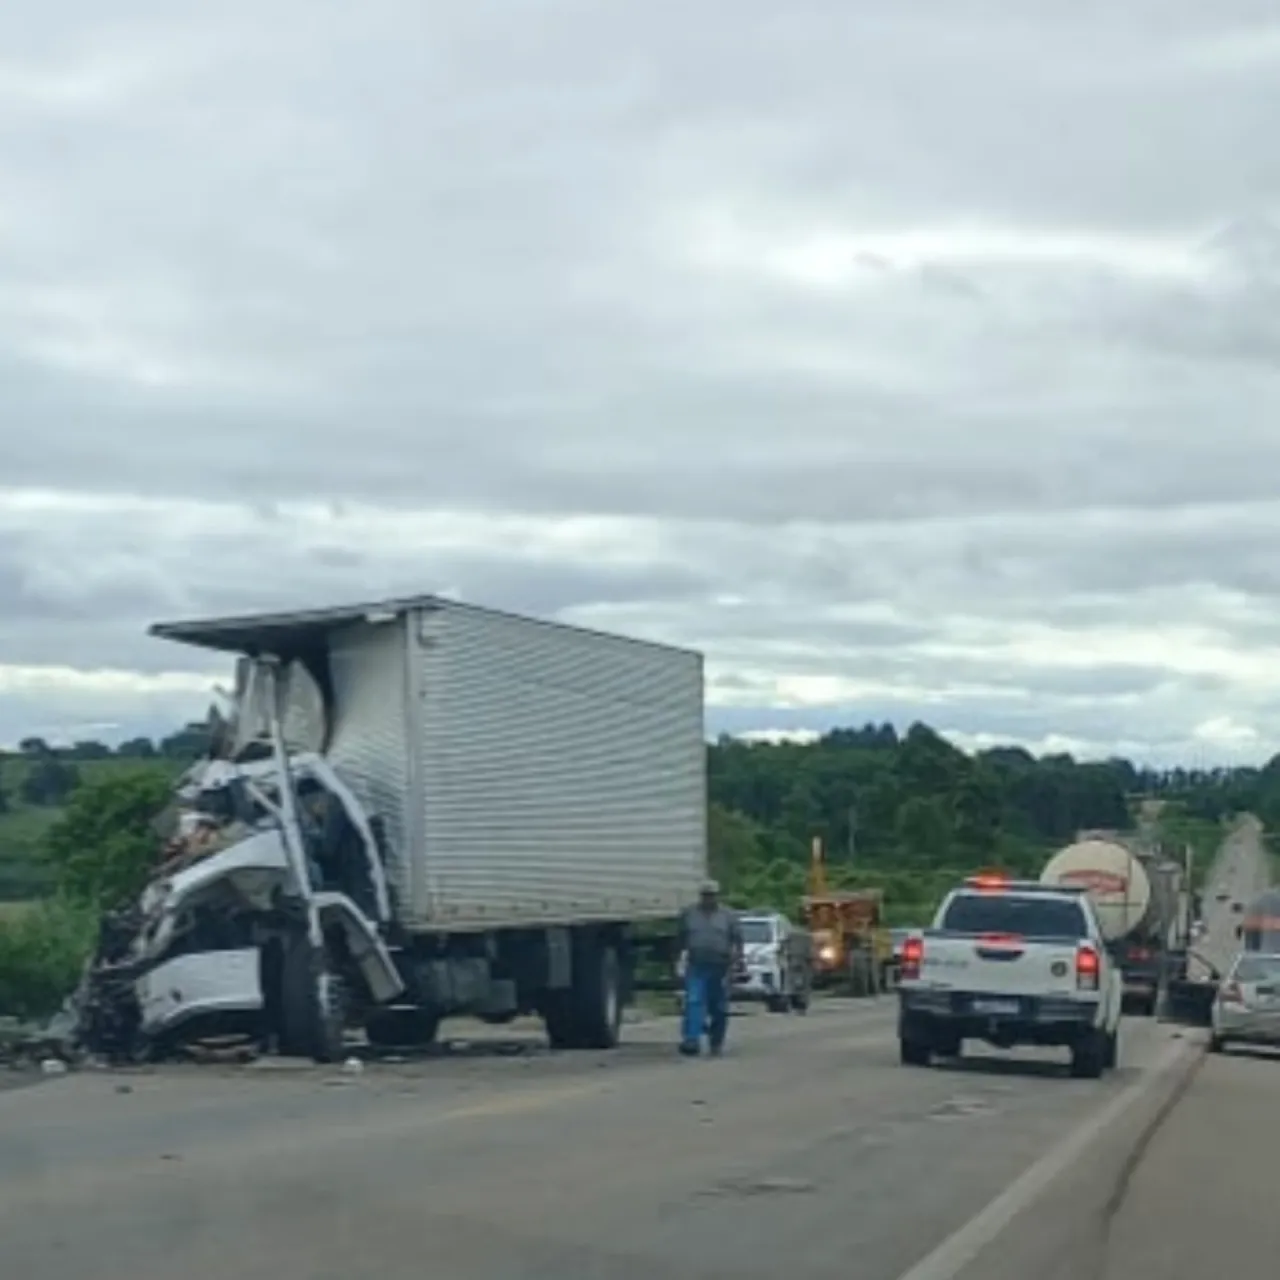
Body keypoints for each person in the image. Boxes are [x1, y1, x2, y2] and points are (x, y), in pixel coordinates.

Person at [676, 878, 743, 1056]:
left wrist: (737, 961)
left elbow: (737, 940)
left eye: (711, 895)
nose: (708, 899)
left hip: (720, 967)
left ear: (717, 896)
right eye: (705, 895)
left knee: (719, 1007)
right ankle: (691, 1040)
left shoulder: (728, 916)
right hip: (696, 964)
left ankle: (716, 1040)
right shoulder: (689, 914)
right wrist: (677, 960)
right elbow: (680, 938)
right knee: (694, 1001)